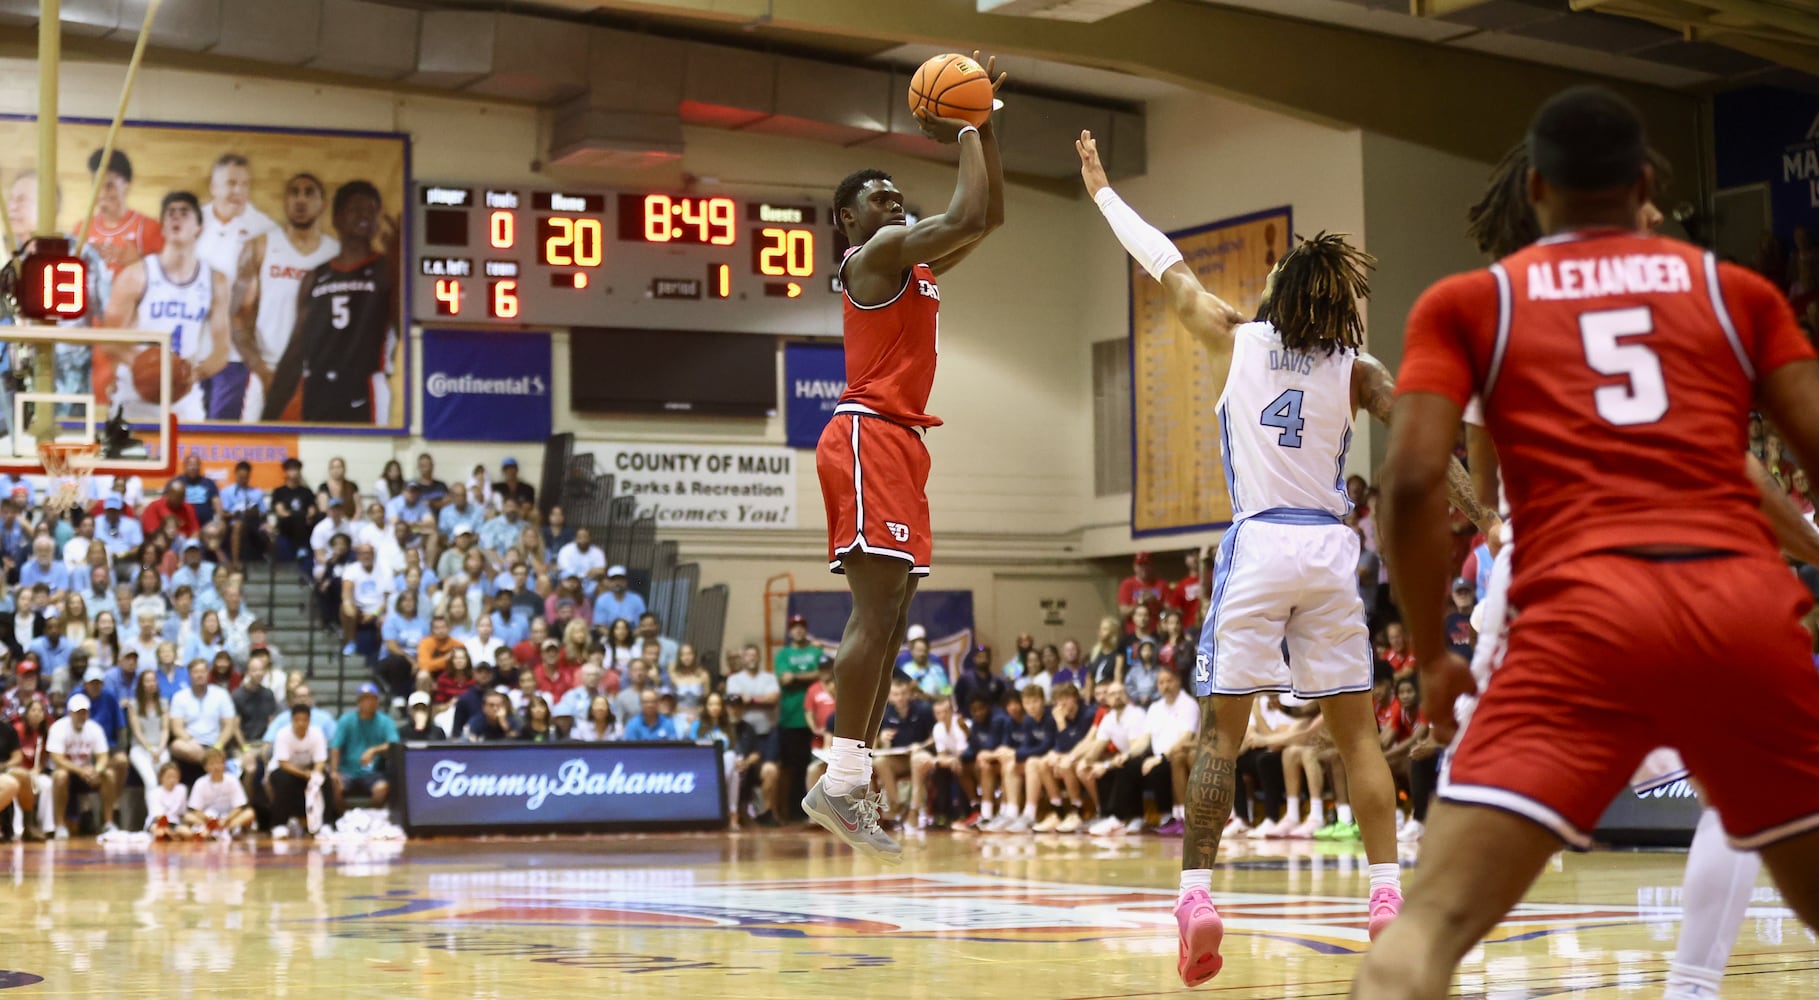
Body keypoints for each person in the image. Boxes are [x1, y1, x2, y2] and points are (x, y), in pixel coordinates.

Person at [1354, 86, 1819, 1000]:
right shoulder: (1735, 294)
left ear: (1534, 191)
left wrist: (1434, 655)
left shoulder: (1470, 303)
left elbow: (1408, 484)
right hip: (1736, 608)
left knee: (1425, 935)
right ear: (1646, 185)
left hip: (1573, 617)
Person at [1077, 129, 1496, 985]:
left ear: (1280, 293)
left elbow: (1166, 265)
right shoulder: (1354, 366)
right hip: (1329, 548)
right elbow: (1425, 455)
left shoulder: (1234, 336)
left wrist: (1101, 193)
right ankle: (1384, 895)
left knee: (1220, 739)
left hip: (1260, 540)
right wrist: (1484, 516)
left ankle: (1196, 896)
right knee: (1357, 739)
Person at [802, 54, 1008, 866]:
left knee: (890, 623)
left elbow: (985, 217)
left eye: (895, 191)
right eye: (875, 195)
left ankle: (849, 779)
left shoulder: (910, 264)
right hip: (866, 433)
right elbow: (962, 211)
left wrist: (985, 124)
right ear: (848, 222)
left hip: (900, 441)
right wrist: (964, 126)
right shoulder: (876, 255)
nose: (892, 199)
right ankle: (841, 775)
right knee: (873, 615)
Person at [261, 180, 399, 424]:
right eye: (356, 209)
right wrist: (268, 415)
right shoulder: (316, 276)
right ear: (336, 219)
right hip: (318, 389)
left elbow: (400, 324)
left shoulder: (385, 269)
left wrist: (398, 261)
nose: (364, 216)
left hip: (365, 387)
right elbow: (296, 348)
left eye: (371, 210)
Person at [100, 191, 231, 422]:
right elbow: (109, 339)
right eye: (170, 214)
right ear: (162, 226)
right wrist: (149, 368)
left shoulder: (215, 281)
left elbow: (222, 350)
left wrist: (192, 373)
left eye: (184, 213)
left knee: (190, 457)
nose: (176, 218)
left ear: (199, 227)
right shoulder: (136, 275)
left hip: (183, 400)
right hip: (136, 395)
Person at [232, 172, 339, 422]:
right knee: (251, 449)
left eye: (309, 192)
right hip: (269, 368)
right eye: (294, 192)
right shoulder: (260, 247)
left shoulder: (336, 253)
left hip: (319, 373)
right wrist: (260, 370)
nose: (300, 200)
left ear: (323, 204)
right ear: (285, 202)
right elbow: (238, 318)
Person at [47, 692, 119, 838]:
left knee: (109, 775)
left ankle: (108, 823)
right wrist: (80, 771)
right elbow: (57, 759)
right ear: (70, 713)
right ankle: (59, 825)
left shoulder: (95, 728)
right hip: (67, 772)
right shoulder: (58, 728)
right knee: (60, 776)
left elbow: (103, 756)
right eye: (78, 712)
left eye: (84, 712)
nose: (81, 716)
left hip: (86, 773)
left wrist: (96, 770)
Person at [83, 148, 163, 275]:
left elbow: (167, 280)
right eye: (97, 185)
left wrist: (137, 262)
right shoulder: (81, 229)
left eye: (110, 185)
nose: (103, 193)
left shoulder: (149, 228)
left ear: (126, 185)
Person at [774, 614, 821, 819]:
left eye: (802, 626)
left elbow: (825, 674)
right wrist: (810, 675)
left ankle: (816, 811)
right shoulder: (783, 654)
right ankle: (792, 811)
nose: (798, 630)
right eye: (794, 627)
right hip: (791, 719)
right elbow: (784, 679)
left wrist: (796, 676)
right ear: (789, 631)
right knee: (792, 768)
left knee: (814, 767)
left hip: (816, 722)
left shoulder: (816, 651)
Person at [329, 683, 397, 811]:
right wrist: (334, 771)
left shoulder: (385, 721)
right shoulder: (346, 720)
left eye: (372, 698)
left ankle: (370, 817)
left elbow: (393, 744)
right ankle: (343, 819)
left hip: (374, 773)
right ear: (358, 702)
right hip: (347, 772)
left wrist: (373, 750)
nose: (369, 702)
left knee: (382, 788)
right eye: (365, 699)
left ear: (377, 702)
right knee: (333, 784)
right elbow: (335, 747)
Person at [267, 702, 327, 839]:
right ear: (292, 720)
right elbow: (283, 763)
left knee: (325, 779)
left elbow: (321, 761)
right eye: (297, 720)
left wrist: (316, 775)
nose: (301, 723)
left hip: (308, 770)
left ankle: (324, 824)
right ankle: (278, 825)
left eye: (304, 720)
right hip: (285, 770)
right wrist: (304, 774)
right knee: (284, 780)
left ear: (309, 721)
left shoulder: (317, 733)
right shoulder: (283, 734)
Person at [185, 746, 253, 839]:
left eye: (218, 763)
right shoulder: (200, 782)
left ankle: (225, 830)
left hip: (229, 818)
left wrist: (226, 820)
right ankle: (212, 829)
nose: (216, 767)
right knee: (188, 816)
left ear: (224, 764)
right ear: (205, 767)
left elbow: (239, 807)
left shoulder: (232, 780)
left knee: (249, 813)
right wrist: (208, 820)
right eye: (212, 764)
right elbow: (196, 809)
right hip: (207, 818)